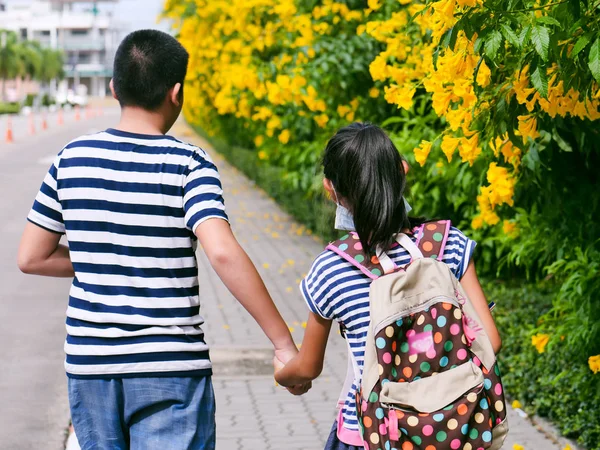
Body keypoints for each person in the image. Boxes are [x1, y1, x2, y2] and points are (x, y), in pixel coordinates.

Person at [17, 29, 304, 450]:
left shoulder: (71, 158)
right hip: (171, 368)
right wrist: (283, 343)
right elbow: (222, 252)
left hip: (91, 367)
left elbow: (31, 258)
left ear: (114, 87)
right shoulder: (189, 163)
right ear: (177, 93)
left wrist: (106, 257)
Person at [274, 122, 502, 450]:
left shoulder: (332, 268)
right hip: (454, 427)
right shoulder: (448, 243)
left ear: (331, 190)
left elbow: (308, 367)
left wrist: (283, 373)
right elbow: (490, 341)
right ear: (403, 171)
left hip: (372, 435)